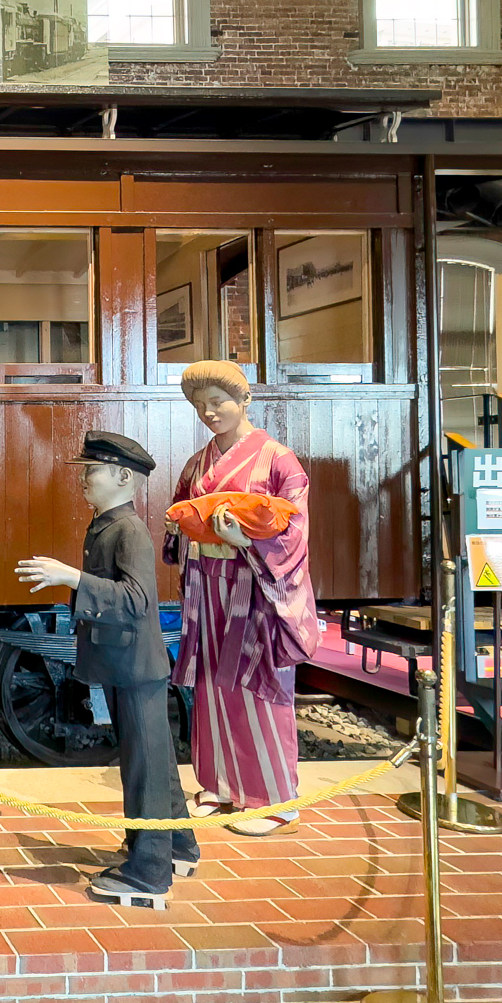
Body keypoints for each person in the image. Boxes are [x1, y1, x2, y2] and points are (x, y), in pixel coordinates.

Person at [15, 431, 197, 908]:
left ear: (122, 477)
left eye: (91, 470)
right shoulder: (107, 524)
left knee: (144, 769)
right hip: (126, 662)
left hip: (135, 666)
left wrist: (72, 577)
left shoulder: (128, 531)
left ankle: (149, 872)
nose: (84, 479)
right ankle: (178, 846)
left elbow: (137, 600)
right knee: (153, 759)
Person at [166, 359, 321, 838]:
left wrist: (247, 541)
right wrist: (178, 526)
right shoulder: (199, 462)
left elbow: (295, 530)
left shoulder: (279, 460)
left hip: (256, 589)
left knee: (258, 685)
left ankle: (275, 799)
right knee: (212, 683)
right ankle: (219, 785)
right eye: (200, 406)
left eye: (217, 402)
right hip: (207, 585)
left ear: (245, 399)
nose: (209, 413)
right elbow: (181, 511)